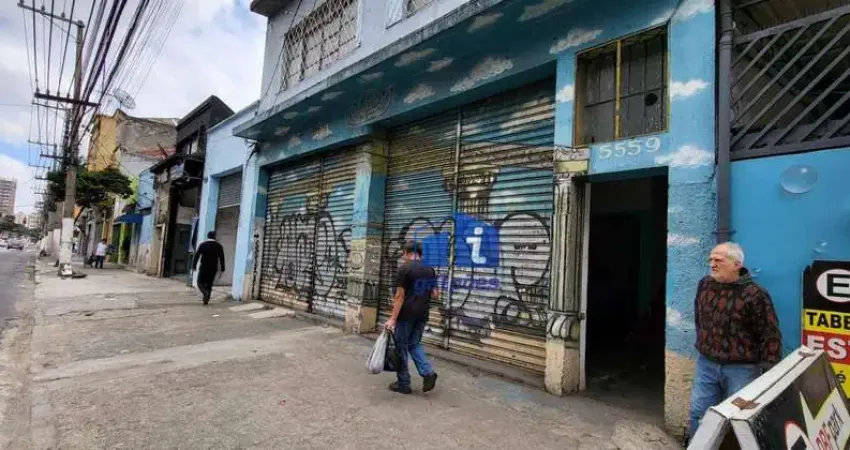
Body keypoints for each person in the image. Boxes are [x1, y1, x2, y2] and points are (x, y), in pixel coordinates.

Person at [688, 242, 782, 438]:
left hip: (742, 369)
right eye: (711, 260)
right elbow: (699, 317)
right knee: (698, 413)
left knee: (737, 421)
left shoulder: (755, 294)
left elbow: (769, 332)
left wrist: (768, 369)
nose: (712, 264)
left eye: (718, 260)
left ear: (736, 264)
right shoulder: (705, 284)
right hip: (707, 363)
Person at [385, 241, 439, 394]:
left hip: (406, 314)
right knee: (414, 343)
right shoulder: (430, 270)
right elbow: (435, 294)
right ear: (420, 254)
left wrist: (393, 319)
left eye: (403, 254)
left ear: (406, 253)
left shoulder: (405, 269)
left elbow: (399, 296)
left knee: (401, 346)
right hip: (422, 314)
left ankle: (404, 384)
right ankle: (428, 373)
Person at [191, 231, 225, 306]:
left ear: (208, 236)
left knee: (200, 282)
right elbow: (222, 258)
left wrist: (194, 266)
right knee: (209, 284)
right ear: (214, 237)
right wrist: (222, 268)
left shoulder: (203, 245)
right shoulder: (219, 246)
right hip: (213, 268)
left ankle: (205, 293)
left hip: (203, 267)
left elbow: (197, 256)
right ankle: (206, 299)